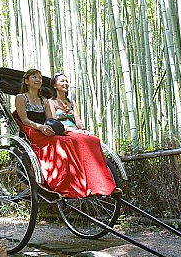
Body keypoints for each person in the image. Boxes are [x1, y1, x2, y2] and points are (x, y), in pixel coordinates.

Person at [14, 68, 117, 198]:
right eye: (34, 77)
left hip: (45, 129)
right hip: (31, 129)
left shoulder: (44, 100)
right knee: (61, 142)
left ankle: (95, 183)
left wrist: (77, 130)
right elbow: (24, 119)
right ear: (26, 81)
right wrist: (39, 127)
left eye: (40, 77)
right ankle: (61, 183)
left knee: (90, 140)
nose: (38, 80)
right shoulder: (21, 97)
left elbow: (49, 120)